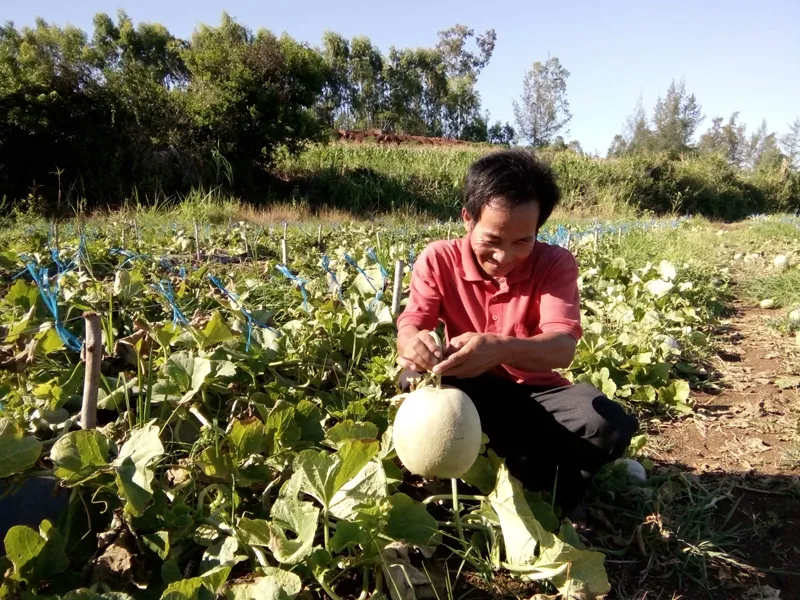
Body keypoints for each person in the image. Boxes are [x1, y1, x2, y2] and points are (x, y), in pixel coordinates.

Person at [395, 148, 638, 518]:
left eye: (522, 241)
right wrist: (415, 342)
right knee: (410, 379)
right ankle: (453, 477)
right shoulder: (438, 258)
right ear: (467, 219)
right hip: (468, 388)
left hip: (536, 394)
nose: (504, 256)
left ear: (538, 228)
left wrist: (502, 348)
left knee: (607, 425)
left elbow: (562, 348)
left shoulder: (555, 263)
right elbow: (413, 322)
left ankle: (554, 492)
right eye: (492, 239)